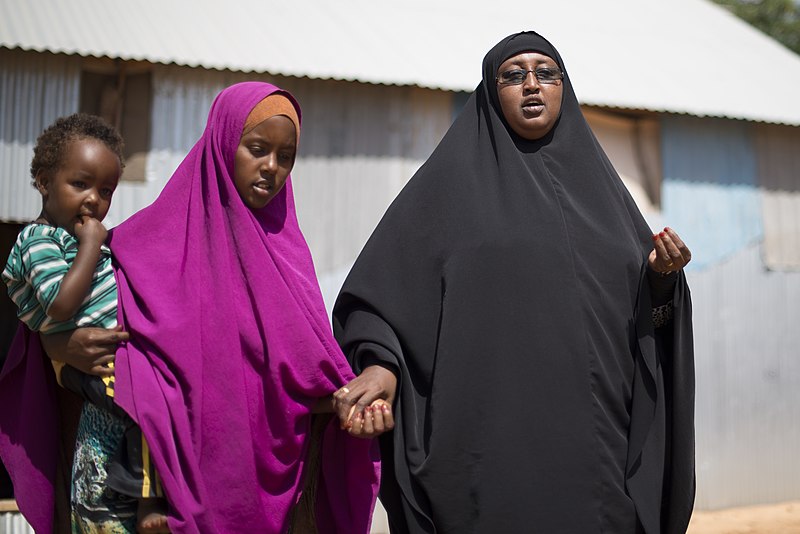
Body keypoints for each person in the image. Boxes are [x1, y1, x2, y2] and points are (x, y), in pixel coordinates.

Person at [332, 31, 695, 533]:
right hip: (486, 454)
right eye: (513, 75)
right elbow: (380, 300)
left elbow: (641, 321)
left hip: (595, 459)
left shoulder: (606, 200)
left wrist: (660, 282)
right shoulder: (448, 188)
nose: (531, 85)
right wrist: (382, 368)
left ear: (563, 87)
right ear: (490, 89)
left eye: (546, 73)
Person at [0, 83, 383, 534]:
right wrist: (59, 342)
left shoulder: (289, 262)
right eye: (257, 149)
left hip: (244, 488)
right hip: (118, 479)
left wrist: (358, 398)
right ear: (222, 145)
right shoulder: (139, 244)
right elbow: (57, 313)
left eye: (286, 156)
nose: (271, 168)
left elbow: (305, 374)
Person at [0, 113, 168, 533]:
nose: (94, 200)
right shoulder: (39, 241)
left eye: (106, 190)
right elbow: (60, 304)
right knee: (147, 404)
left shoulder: (75, 241)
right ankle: (148, 501)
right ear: (43, 181)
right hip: (89, 368)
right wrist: (92, 246)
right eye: (80, 184)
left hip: (111, 356)